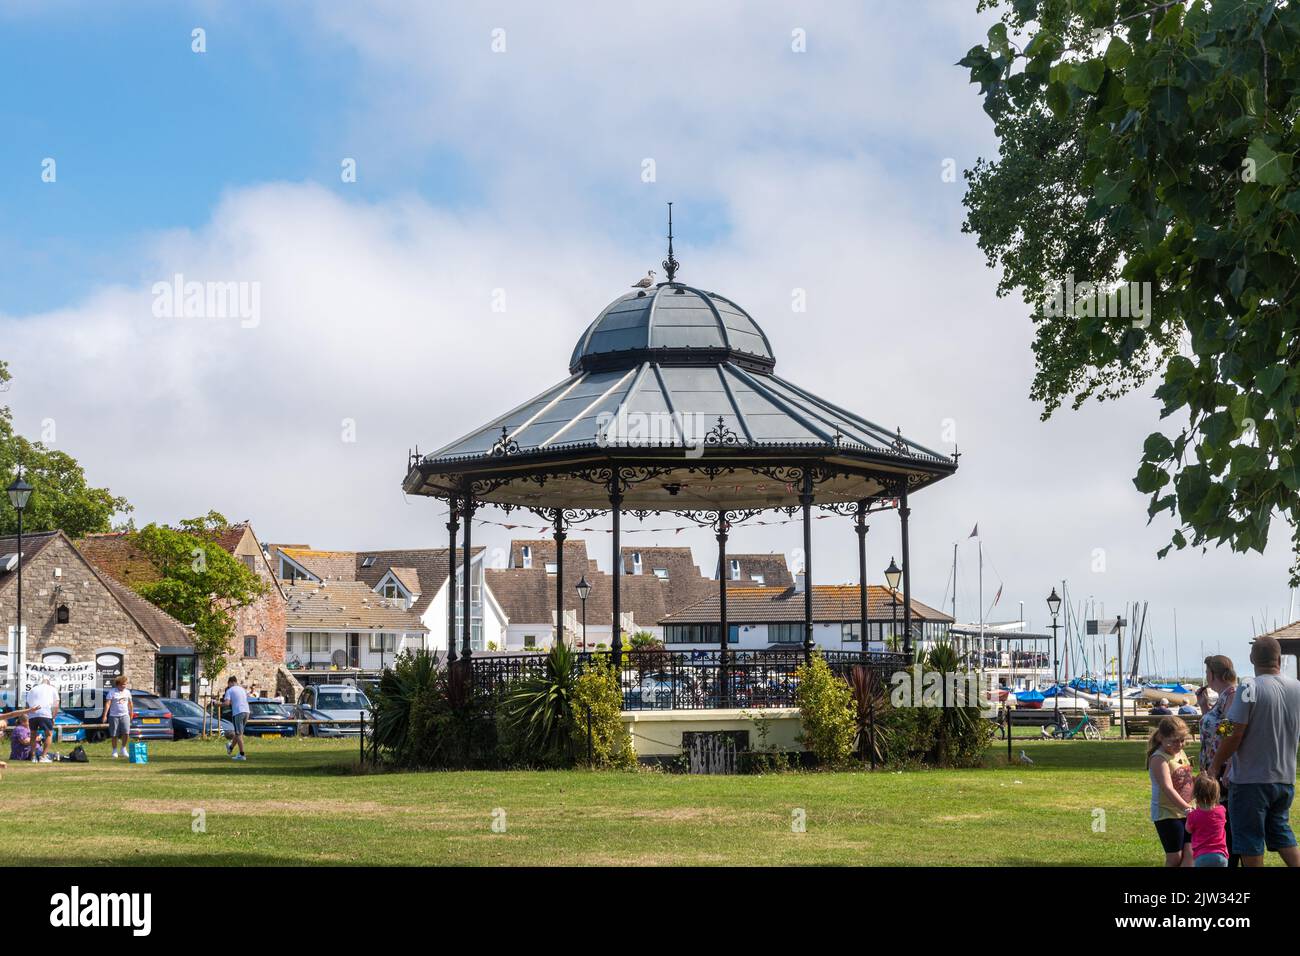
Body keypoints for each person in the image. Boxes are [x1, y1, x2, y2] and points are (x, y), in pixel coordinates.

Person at [1209, 636, 1300, 867]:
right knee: (1281, 833)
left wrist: (1215, 764)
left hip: (1251, 779)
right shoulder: (1296, 687)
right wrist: (1221, 725)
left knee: (1250, 841)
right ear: (1279, 658)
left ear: (1251, 659)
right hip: (1285, 778)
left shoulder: (1249, 686)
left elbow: (1235, 731)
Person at [1198, 655, 1239, 865]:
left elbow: (1229, 730)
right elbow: (1221, 727)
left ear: (1213, 675)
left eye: (1207, 673)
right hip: (1214, 766)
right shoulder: (1224, 697)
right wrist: (1205, 707)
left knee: (1225, 821)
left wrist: (1224, 767)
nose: (1206, 677)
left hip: (1221, 768)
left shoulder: (1232, 694)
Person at [1148, 715, 1194, 867]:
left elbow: (1186, 779)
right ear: (1161, 737)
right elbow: (1167, 788)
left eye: (1182, 740)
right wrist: (1186, 808)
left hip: (1188, 811)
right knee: (1175, 858)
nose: (1180, 744)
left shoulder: (1180, 752)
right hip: (1167, 814)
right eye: (1175, 740)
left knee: (1190, 855)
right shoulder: (1159, 758)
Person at [1186, 775, 1229, 867]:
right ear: (1217, 794)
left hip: (1201, 856)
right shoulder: (1222, 810)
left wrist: (1188, 816)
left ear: (1196, 794)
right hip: (1221, 855)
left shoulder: (1193, 815)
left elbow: (1188, 830)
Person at [99, 675, 134, 758]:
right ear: (118, 684)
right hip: (114, 716)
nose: (124, 686)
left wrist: (131, 713)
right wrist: (105, 715)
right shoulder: (112, 692)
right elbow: (108, 704)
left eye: (125, 684)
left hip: (125, 715)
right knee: (114, 734)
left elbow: (130, 703)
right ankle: (114, 751)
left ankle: (123, 749)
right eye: (123, 684)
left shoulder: (127, 692)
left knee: (126, 733)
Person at [25, 677, 57, 763]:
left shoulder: (32, 690)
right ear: (48, 683)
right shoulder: (52, 688)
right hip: (45, 713)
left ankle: (33, 757)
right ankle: (43, 757)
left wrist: (29, 715)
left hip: (33, 713)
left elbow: (27, 704)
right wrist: (53, 717)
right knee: (49, 735)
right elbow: (56, 704)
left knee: (33, 735)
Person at [222, 675, 249, 761]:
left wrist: (217, 704)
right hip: (247, 711)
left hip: (238, 712)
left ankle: (242, 755)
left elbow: (226, 704)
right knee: (238, 734)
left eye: (228, 684)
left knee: (239, 734)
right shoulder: (242, 689)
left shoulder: (229, 690)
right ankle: (230, 747)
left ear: (230, 682)